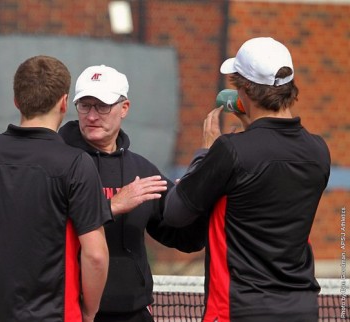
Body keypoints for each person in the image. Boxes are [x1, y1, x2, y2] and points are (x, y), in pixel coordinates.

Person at [163, 37, 331, 322]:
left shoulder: (230, 150)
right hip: (301, 308)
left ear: (246, 90)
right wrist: (249, 124)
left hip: (239, 309)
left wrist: (206, 150)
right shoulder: (317, 150)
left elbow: (175, 212)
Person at [0, 55, 112, 322]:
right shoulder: (76, 164)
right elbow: (96, 255)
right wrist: (89, 311)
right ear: (64, 103)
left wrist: (5, 238)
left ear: (16, 100)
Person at [58, 64, 206, 322]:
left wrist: (194, 202)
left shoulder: (142, 171)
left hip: (134, 312)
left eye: (102, 106)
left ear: (124, 108)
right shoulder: (57, 162)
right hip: (74, 312)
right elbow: (44, 225)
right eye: (85, 105)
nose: (92, 116)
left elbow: (186, 239)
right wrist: (111, 206)